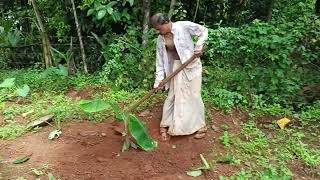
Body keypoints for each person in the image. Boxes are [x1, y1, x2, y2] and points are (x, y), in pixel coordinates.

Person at [150, 13, 208, 141]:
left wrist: (198, 46)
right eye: (156, 29)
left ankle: (200, 126)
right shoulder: (160, 39)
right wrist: (158, 82)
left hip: (191, 65)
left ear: (166, 22)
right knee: (173, 95)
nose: (158, 31)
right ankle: (166, 124)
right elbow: (160, 61)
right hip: (175, 68)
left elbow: (204, 31)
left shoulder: (183, 26)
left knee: (194, 95)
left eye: (159, 28)